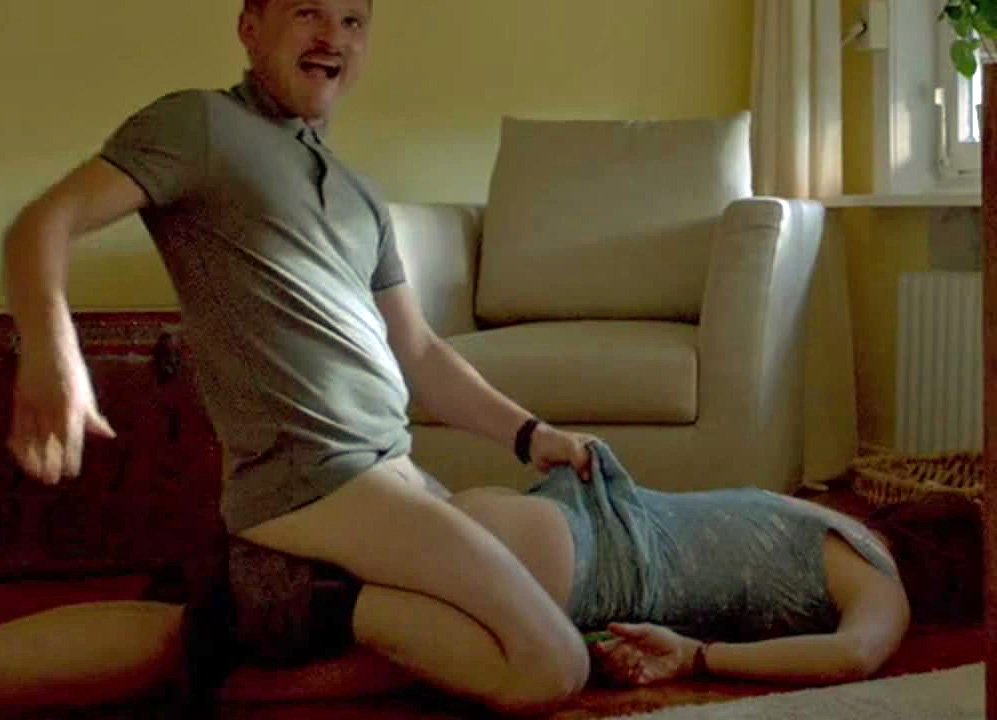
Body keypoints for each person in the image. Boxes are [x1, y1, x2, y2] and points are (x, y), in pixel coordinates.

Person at [2, 0, 597, 714]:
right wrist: (54, 354)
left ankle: (261, 638)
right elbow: (42, 223)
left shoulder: (361, 196)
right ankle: (315, 604)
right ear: (250, 27)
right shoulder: (199, 125)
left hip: (393, 475)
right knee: (553, 666)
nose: (332, 37)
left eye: (352, 20)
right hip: (310, 480)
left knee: (475, 637)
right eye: (307, 11)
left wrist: (530, 434)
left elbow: (419, 351)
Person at [0, 440, 982, 713]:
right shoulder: (875, 576)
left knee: (208, 627)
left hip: (529, 523)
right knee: (203, 631)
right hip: (564, 572)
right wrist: (700, 655)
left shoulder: (811, 504)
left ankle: (267, 660)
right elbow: (854, 656)